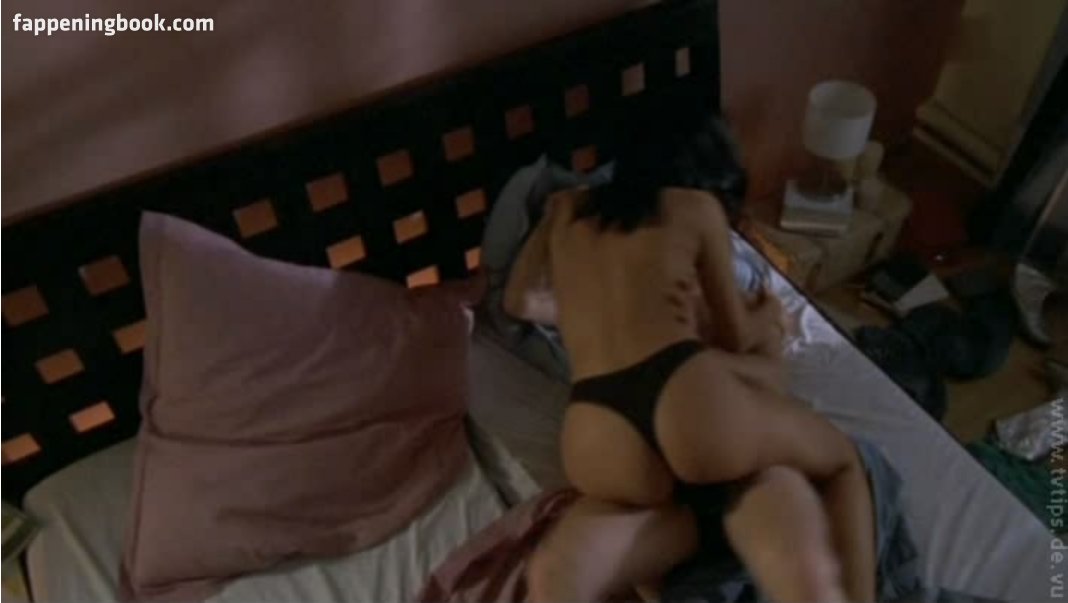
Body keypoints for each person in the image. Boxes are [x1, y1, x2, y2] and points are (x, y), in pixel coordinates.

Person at [503, 108, 876, 602]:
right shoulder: (694, 207)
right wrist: (768, 318)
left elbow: (519, 302)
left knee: (671, 521)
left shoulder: (570, 223)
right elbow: (737, 337)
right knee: (843, 461)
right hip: (683, 395)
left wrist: (552, 218)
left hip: (595, 429)